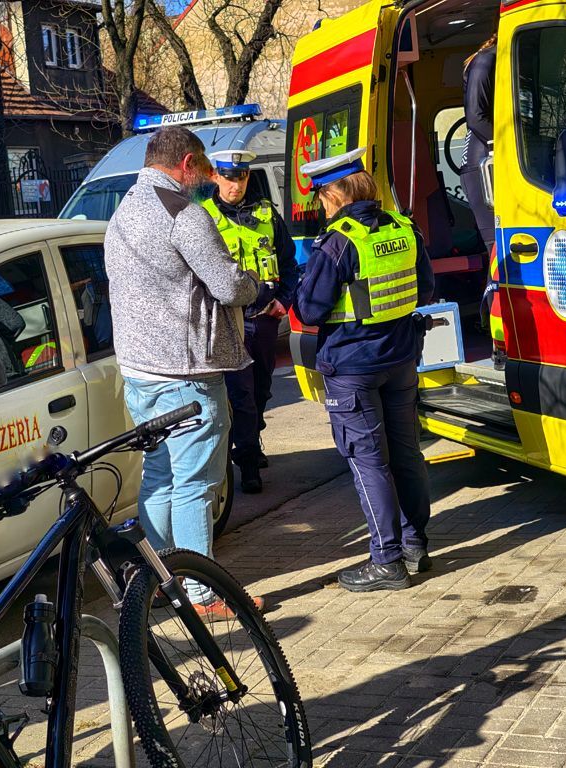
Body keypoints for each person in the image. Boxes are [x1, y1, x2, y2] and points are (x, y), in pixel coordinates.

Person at [103, 126, 260, 618]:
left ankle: (158, 580)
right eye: (205, 169)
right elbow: (228, 286)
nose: (211, 179)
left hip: (140, 371)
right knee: (194, 483)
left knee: (159, 476)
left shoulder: (123, 210)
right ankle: (201, 593)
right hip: (187, 373)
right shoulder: (184, 216)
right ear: (186, 164)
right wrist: (255, 283)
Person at [294, 147, 435, 593]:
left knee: (368, 463)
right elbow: (426, 287)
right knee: (407, 453)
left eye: (321, 198)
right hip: (401, 357)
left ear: (334, 196)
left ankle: (386, 561)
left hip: (353, 366)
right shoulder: (404, 227)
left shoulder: (338, 241)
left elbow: (310, 308)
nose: (321, 206)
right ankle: (414, 545)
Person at [203, 149, 300, 494]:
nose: (236, 184)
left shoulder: (266, 214)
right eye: (229, 177)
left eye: (242, 177)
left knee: (260, 389)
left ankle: (251, 440)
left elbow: (289, 265)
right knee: (240, 394)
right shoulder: (203, 218)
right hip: (229, 323)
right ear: (215, 176)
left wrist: (283, 301)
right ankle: (246, 463)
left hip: (264, 320)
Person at [461, 33, 496, 254]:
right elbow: (475, 116)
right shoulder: (486, 59)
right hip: (482, 158)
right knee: (497, 246)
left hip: (488, 151)